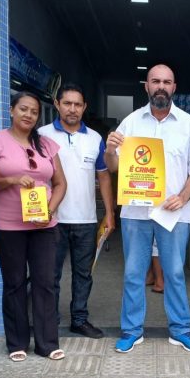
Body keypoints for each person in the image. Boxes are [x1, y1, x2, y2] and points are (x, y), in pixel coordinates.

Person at [104, 64, 190, 353]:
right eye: (155, 81)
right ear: (146, 86)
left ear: (174, 87)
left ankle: (181, 330)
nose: (161, 86)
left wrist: (183, 197)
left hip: (173, 212)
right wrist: (110, 150)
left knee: (174, 273)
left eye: (166, 82)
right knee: (133, 273)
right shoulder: (131, 122)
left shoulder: (188, 124)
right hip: (136, 213)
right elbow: (113, 167)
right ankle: (131, 331)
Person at [0, 91, 67, 362]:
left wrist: (49, 210)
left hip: (43, 224)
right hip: (6, 225)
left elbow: (60, 184)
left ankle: (47, 343)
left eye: (34, 111)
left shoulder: (47, 145)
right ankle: (17, 342)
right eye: (23, 109)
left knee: (45, 282)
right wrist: (12, 180)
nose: (28, 115)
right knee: (15, 282)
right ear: (11, 110)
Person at [39, 83, 115, 339]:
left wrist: (110, 214)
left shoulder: (95, 138)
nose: (72, 109)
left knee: (84, 274)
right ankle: (50, 321)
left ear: (84, 107)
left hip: (86, 219)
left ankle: (79, 320)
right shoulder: (41, 135)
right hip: (52, 219)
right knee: (51, 275)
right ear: (57, 104)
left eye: (77, 104)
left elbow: (104, 176)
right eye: (67, 103)